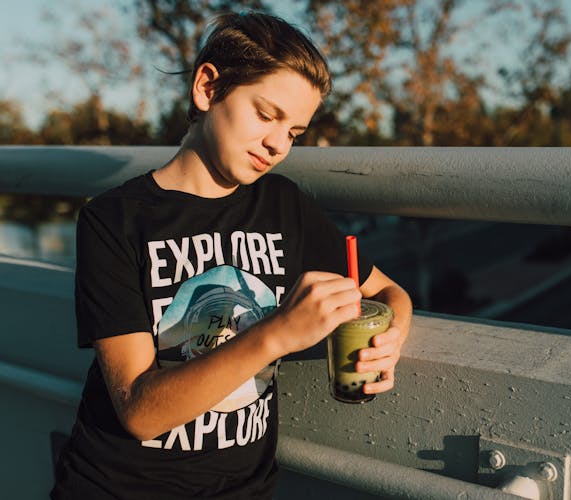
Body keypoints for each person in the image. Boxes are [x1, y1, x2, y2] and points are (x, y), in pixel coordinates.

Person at [51, 11, 412, 500]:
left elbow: (389, 291)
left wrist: (391, 336)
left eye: (294, 133)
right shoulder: (113, 221)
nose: (277, 144)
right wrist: (277, 333)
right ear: (207, 87)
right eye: (266, 115)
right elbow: (140, 412)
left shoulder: (284, 205)